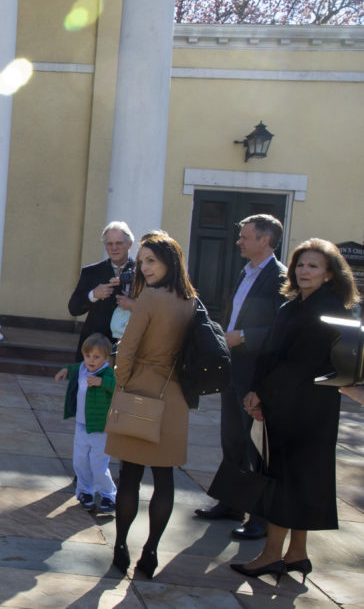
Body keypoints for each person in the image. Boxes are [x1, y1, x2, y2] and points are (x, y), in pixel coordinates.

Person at [231, 238, 359, 583]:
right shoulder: (290, 306)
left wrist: (264, 397)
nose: (304, 271)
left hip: (310, 409)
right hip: (282, 404)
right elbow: (270, 353)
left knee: (289, 481)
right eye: (301, 264)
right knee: (294, 479)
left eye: (313, 265)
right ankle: (296, 554)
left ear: (329, 273)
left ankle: (272, 555)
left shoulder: (331, 306)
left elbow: (301, 364)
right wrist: (255, 390)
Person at [106, 233, 197, 580]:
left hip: (141, 387)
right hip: (175, 394)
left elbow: (126, 349)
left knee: (130, 474)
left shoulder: (149, 299)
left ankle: (120, 546)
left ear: (169, 262)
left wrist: (123, 381)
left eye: (151, 261)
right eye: (142, 261)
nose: (144, 267)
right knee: (164, 475)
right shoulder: (191, 301)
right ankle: (152, 550)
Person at [194, 215, 287, 541]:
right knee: (232, 439)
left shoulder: (280, 277)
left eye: (245, 237)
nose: (239, 242)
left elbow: (281, 330)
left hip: (257, 374)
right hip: (233, 369)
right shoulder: (245, 271)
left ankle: (259, 518)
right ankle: (231, 503)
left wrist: (244, 335)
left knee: (256, 447)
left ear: (265, 240)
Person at [54, 333, 117, 514]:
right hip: (81, 425)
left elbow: (117, 387)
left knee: (98, 464)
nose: (91, 360)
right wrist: (65, 370)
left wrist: (102, 382)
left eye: (96, 357)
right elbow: (73, 368)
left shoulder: (107, 373)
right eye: (87, 355)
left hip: (100, 427)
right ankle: (84, 492)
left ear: (106, 358)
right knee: (81, 461)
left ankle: (108, 495)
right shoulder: (82, 368)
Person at [68, 222, 134, 360]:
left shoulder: (142, 273)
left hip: (127, 346)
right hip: (94, 347)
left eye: (119, 243)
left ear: (130, 244)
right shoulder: (91, 272)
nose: (114, 248)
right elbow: (73, 309)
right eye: (109, 244)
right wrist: (93, 295)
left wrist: (133, 305)